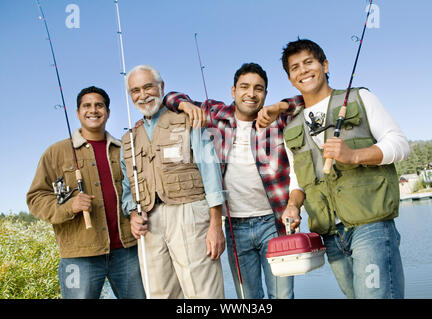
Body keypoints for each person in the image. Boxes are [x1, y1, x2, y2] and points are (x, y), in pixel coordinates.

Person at [257, 38, 410, 299]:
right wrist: (293, 205)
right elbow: (297, 180)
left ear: (325, 65)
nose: (303, 70)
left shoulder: (361, 97)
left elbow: (400, 145)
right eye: (295, 68)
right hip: (329, 235)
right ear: (291, 79)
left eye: (309, 62)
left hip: (370, 225)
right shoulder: (291, 126)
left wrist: (354, 155)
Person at [163, 63, 297, 299]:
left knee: (283, 296)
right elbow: (171, 97)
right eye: (244, 87)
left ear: (265, 94)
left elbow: (307, 100)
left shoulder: (277, 119)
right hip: (235, 226)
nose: (251, 93)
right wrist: (184, 105)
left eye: (259, 89)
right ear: (233, 91)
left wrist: (280, 106)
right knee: (248, 298)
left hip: (274, 223)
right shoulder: (214, 114)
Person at [27, 86, 145, 299]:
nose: (93, 110)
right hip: (79, 256)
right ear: (78, 112)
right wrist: (68, 206)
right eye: (87, 105)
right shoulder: (55, 153)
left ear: (108, 112)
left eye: (99, 105)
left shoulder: (125, 149)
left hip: (128, 252)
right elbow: (36, 198)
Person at [121, 64, 227, 299]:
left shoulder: (188, 120)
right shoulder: (128, 139)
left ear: (162, 87)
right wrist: (132, 215)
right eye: (135, 90)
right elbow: (127, 189)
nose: (143, 95)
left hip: (190, 214)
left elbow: (210, 172)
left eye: (148, 87)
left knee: (203, 294)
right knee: (160, 294)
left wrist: (215, 225)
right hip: (150, 224)